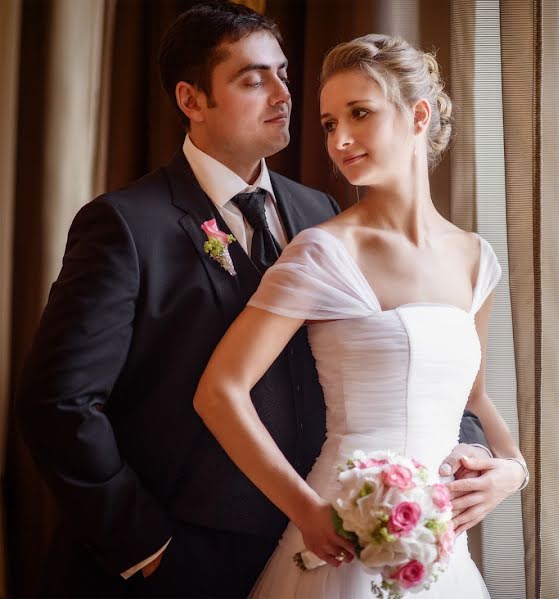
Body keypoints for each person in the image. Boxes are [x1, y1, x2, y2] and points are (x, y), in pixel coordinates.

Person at [15, 4, 492, 596]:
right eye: (251, 78)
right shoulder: (126, 225)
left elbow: (398, 361)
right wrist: (148, 546)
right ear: (192, 101)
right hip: (177, 556)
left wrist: (484, 463)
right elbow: (57, 403)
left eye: (283, 73)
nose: (281, 93)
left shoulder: (320, 212)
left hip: (309, 547)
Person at [192, 33, 529, 598]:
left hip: (442, 549)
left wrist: (513, 469)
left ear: (417, 115)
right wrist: (306, 510)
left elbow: (472, 399)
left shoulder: (477, 258)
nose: (340, 140)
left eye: (359, 114)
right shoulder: (322, 252)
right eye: (328, 123)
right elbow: (220, 391)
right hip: (338, 537)